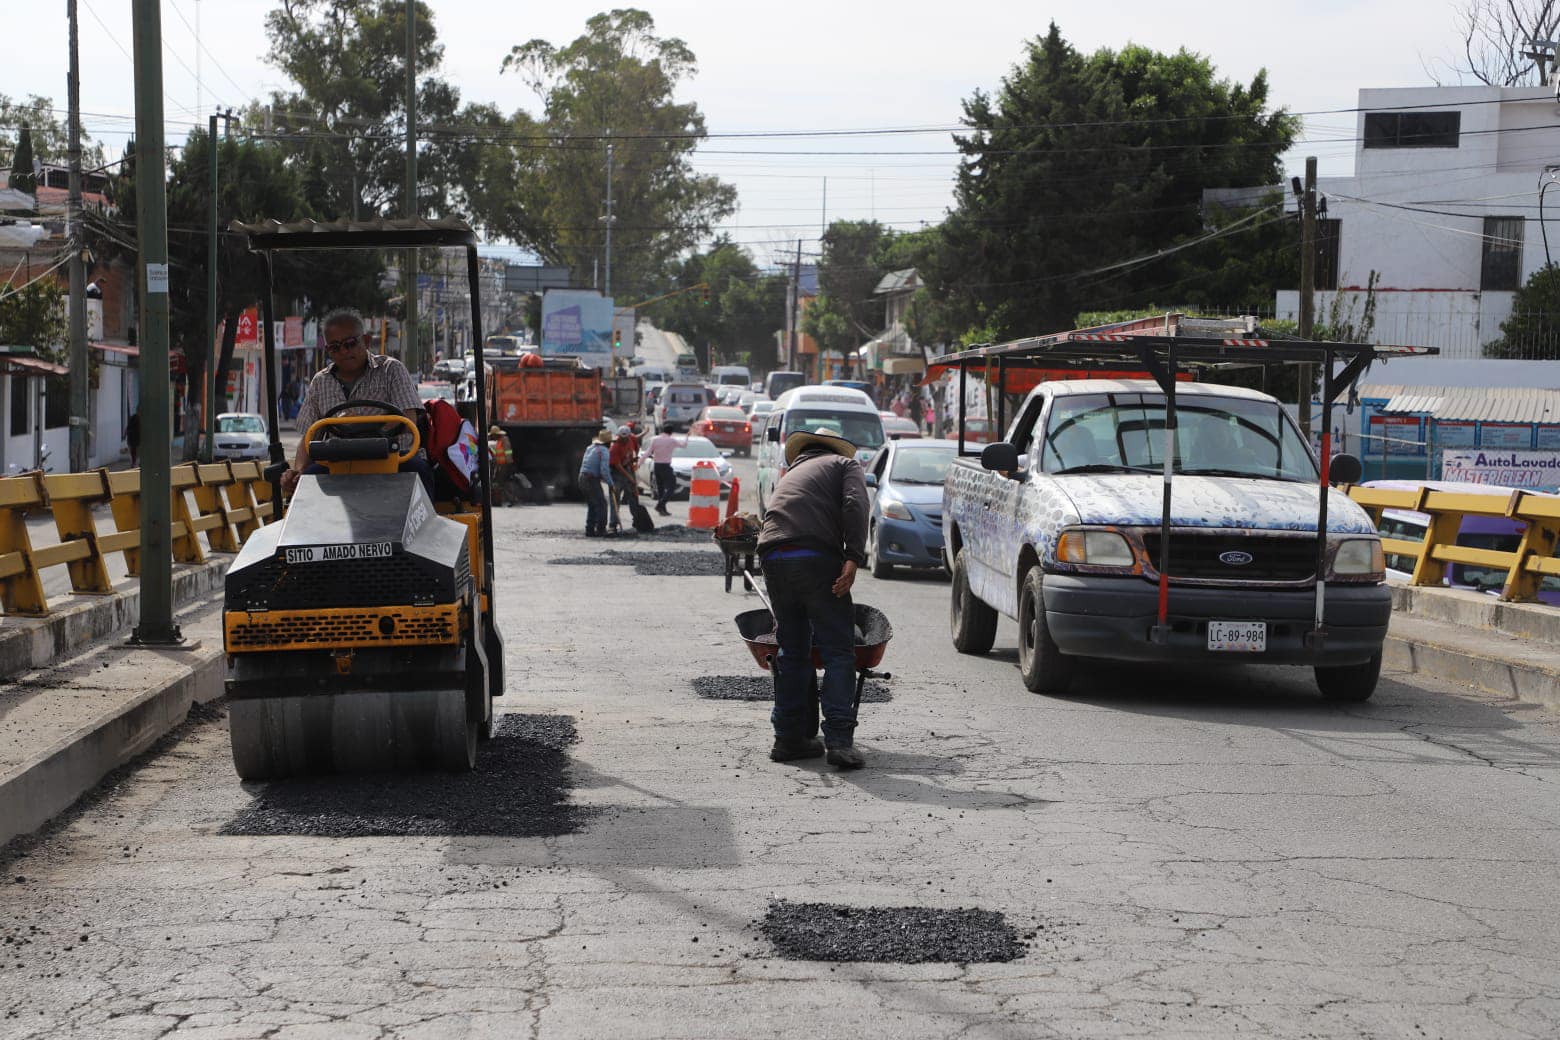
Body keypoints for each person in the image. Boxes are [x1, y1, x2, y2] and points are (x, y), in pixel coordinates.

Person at [756, 428, 870, 770]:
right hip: (815, 557)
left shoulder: (792, 474)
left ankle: (788, 738)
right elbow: (855, 503)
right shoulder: (844, 464)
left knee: (792, 651)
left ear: (804, 451)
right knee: (838, 651)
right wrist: (853, 557)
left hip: (773, 556)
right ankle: (838, 741)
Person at [281, 308, 431, 498]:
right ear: (328, 350)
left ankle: (424, 525)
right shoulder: (320, 382)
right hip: (339, 465)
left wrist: (366, 430)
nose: (344, 351)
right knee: (308, 480)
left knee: (418, 471)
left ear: (366, 341)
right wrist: (299, 471)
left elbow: (407, 417)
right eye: (335, 347)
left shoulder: (391, 370)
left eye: (350, 344)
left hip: (394, 460)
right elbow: (309, 436)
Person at [645, 426, 687, 516]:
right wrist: (687, 437)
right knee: (671, 487)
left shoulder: (655, 440)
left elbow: (648, 452)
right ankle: (660, 505)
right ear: (671, 432)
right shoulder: (671, 440)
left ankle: (662, 510)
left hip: (656, 466)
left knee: (661, 489)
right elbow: (683, 445)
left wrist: (639, 463)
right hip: (665, 466)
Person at [579, 429, 613, 537]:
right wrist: (611, 484)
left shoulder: (590, 448)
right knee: (602, 504)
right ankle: (601, 529)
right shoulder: (604, 451)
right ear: (608, 442)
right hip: (591, 479)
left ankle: (589, 529)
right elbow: (604, 470)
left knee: (592, 504)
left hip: (582, 477)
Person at [607, 426, 639, 532]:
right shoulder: (615, 447)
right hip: (616, 474)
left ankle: (637, 521)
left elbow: (633, 450)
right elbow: (617, 465)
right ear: (619, 435)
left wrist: (633, 461)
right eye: (622, 437)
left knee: (633, 497)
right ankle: (613, 524)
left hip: (627, 469)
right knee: (615, 500)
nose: (624, 439)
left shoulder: (631, 440)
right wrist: (630, 477)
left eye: (626, 437)